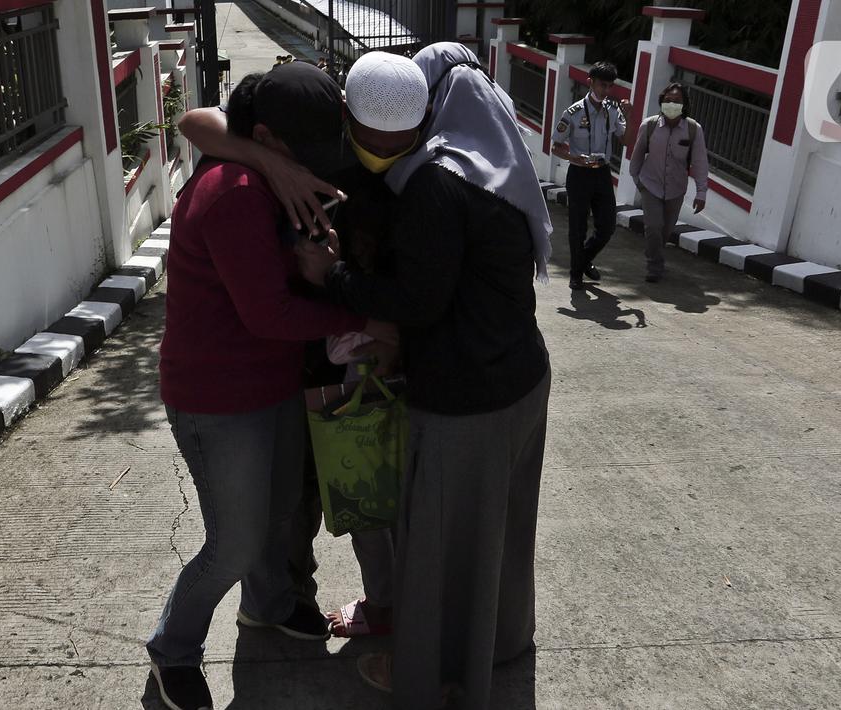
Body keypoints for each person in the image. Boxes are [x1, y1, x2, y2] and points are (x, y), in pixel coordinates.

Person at [297, 43, 553, 710]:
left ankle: (431, 675)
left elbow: (417, 301)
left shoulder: (436, 184)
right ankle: (494, 644)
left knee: (436, 540)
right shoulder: (491, 163)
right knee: (496, 530)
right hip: (517, 377)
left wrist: (334, 278)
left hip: (466, 396)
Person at [147, 62, 395, 710]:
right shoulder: (233, 190)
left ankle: (270, 607)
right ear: (262, 136)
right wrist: (361, 318)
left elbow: (203, 124)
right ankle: (171, 649)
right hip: (217, 399)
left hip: (271, 382)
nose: (315, 162)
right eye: (297, 153)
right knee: (234, 542)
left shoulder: (264, 165)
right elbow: (270, 315)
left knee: (281, 509)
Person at [174, 51, 430, 640]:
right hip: (295, 359)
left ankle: (383, 605)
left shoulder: (378, 161)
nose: (374, 148)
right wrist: (265, 159)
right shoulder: (269, 167)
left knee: (364, 496)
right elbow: (194, 121)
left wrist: (379, 328)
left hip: (353, 357)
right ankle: (283, 599)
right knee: (293, 508)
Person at [552, 61, 631, 289]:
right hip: (579, 173)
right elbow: (556, 146)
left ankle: (583, 260)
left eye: (609, 86)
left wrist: (630, 116)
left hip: (602, 173)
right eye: (602, 85)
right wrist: (573, 158)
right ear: (591, 83)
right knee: (578, 226)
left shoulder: (614, 111)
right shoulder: (574, 112)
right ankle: (575, 274)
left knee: (607, 227)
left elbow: (626, 141)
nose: (605, 90)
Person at [628, 82, 710, 282]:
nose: (671, 104)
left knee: (665, 230)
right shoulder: (650, 125)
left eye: (676, 101)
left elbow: (699, 162)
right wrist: (638, 180)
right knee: (654, 226)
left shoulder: (693, 129)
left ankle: (656, 254)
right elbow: (637, 155)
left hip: (676, 188)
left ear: (684, 105)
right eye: (668, 101)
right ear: (661, 102)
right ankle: (654, 266)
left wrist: (701, 193)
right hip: (650, 185)